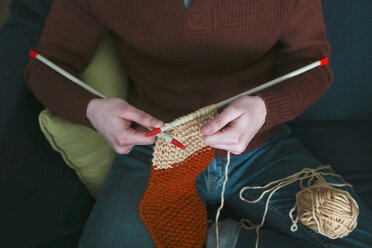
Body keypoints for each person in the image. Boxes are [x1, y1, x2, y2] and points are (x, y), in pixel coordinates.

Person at [24, 0, 372, 247]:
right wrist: (92, 110)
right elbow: (45, 65)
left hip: (259, 148)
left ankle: (226, 239)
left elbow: (314, 64)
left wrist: (265, 109)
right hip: (154, 152)